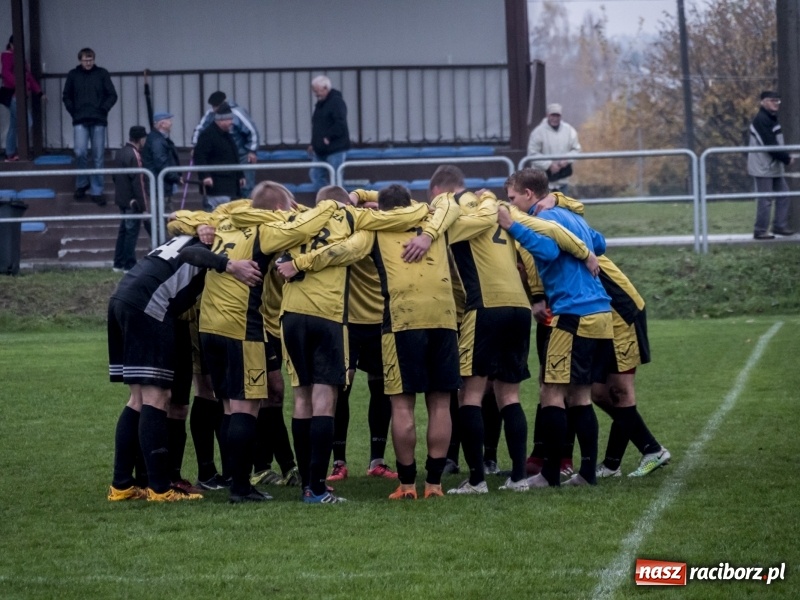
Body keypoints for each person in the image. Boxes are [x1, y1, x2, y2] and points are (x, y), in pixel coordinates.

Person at [279, 185, 461, 501]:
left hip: (401, 318)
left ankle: (406, 486)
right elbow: (451, 205)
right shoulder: (435, 217)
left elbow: (345, 250)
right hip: (444, 317)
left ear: (382, 208)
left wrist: (301, 263)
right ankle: (433, 484)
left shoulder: (373, 226)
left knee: (402, 403)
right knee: (441, 402)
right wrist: (429, 233)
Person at [106, 231, 263, 503]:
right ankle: (159, 488)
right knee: (157, 398)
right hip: (149, 304)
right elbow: (193, 254)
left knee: (138, 399)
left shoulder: (195, 229)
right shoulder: (212, 239)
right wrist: (229, 264)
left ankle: (122, 484)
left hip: (125, 295)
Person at [498, 168, 612, 488]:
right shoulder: (569, 215)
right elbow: (599, 244)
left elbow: (547, 250)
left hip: (573, 313)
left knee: (551, 391)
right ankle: (587, 473)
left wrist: (514, 228)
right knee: (580, 396)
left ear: (529, 195)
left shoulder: (545, 220)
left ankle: (549, 474)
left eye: (513, 198)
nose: (512, 204)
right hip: (600, 311)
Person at [62, 47, 117, 206]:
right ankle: (82, 183)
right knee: (79, 151)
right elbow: (66, 96)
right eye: (85, 60)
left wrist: (104, 109)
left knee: (98, 156)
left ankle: (97, 190)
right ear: (80, 60)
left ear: (94, 59)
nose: (88, 62)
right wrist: (73, 111)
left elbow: (112, 94)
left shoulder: (102, 73)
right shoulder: (73, 75)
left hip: (98, 119)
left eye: (91, 59)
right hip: (80, 119)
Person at [192, 90, 260, 198]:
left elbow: (252, 131)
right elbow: (199, 129)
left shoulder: (237, 113)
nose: (215, 109)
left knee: (245, 185)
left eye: (216, 106)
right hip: (218, 156)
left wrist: (252, 151)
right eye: (213, 106)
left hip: (241, 155)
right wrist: (195, 145)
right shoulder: (210, 114)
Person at [747, 90, 795, 240]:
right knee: (766, 199)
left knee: (784, 194)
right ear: (763, 102)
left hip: (772, 166)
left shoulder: (771, 118)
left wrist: (783, 158)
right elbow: (769, 144)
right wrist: (786, 159)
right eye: (771, 100)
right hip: (764, 167)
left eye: (777, 101)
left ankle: (779, 225)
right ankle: (760, 230)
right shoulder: (762, 119)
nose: (775, 103)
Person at [112, 125, 149, 273]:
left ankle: (118, 263)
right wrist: (144, 207)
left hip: (122, 200)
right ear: (141, 139)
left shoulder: (121, 153)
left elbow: (115, 177)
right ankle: (129, 264)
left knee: (123, 232)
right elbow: (138, 182)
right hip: (132, 202)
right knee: (131, 233)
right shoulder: (135, 155)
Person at [194, 102, 244, 210]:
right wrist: (205, 176)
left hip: (230, 183)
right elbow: (200, 156)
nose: (231, 123)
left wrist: (240, 175)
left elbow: (234, 156)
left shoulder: (227, 135)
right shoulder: (208, 135)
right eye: (229, 120)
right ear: (221, 120)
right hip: (217, 184)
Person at [1, 35, 43, 162]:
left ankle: (10, 153)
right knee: (26, 122)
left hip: (16, 94)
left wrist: (39, 92)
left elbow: (28, 75)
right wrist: (21, 85)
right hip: (14, 95)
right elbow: (6, 73)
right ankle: (20, 152)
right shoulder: (8, 56)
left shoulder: (17, 57)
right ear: (12, 44)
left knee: (14, 124)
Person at [527, 103, 581, 194]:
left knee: (562, 207)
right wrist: (549, 165)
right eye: (552, 115)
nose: (555, 118)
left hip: (563, 180)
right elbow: (532, 154)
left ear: (561, 116)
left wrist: (567, 159)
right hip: (543, 181)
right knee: (543, 207)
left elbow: (577, 149)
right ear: (547, 115)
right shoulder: (538, 132)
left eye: (557, 115)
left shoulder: (569, 130)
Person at [308, 75, 350, 190]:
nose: (316, 94)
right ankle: (327, 199)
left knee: (336, 178)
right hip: (320, 149)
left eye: (317, 91)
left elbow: (340, 123)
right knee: (316, 175)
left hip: (335, 148)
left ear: (326, 88)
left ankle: (338, 202)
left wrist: (328, 137)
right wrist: (314, 143)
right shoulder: (321, 104)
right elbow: (317, 126)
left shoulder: (336, 102)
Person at [143, 111, 182, 212]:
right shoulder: (158, 141)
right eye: (169, 120)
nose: (171, 123)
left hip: (160, 184)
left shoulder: (157, 139)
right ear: (162, 124)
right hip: (160, 185)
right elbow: (161, 164)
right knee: (163, 215)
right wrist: (176, 178)